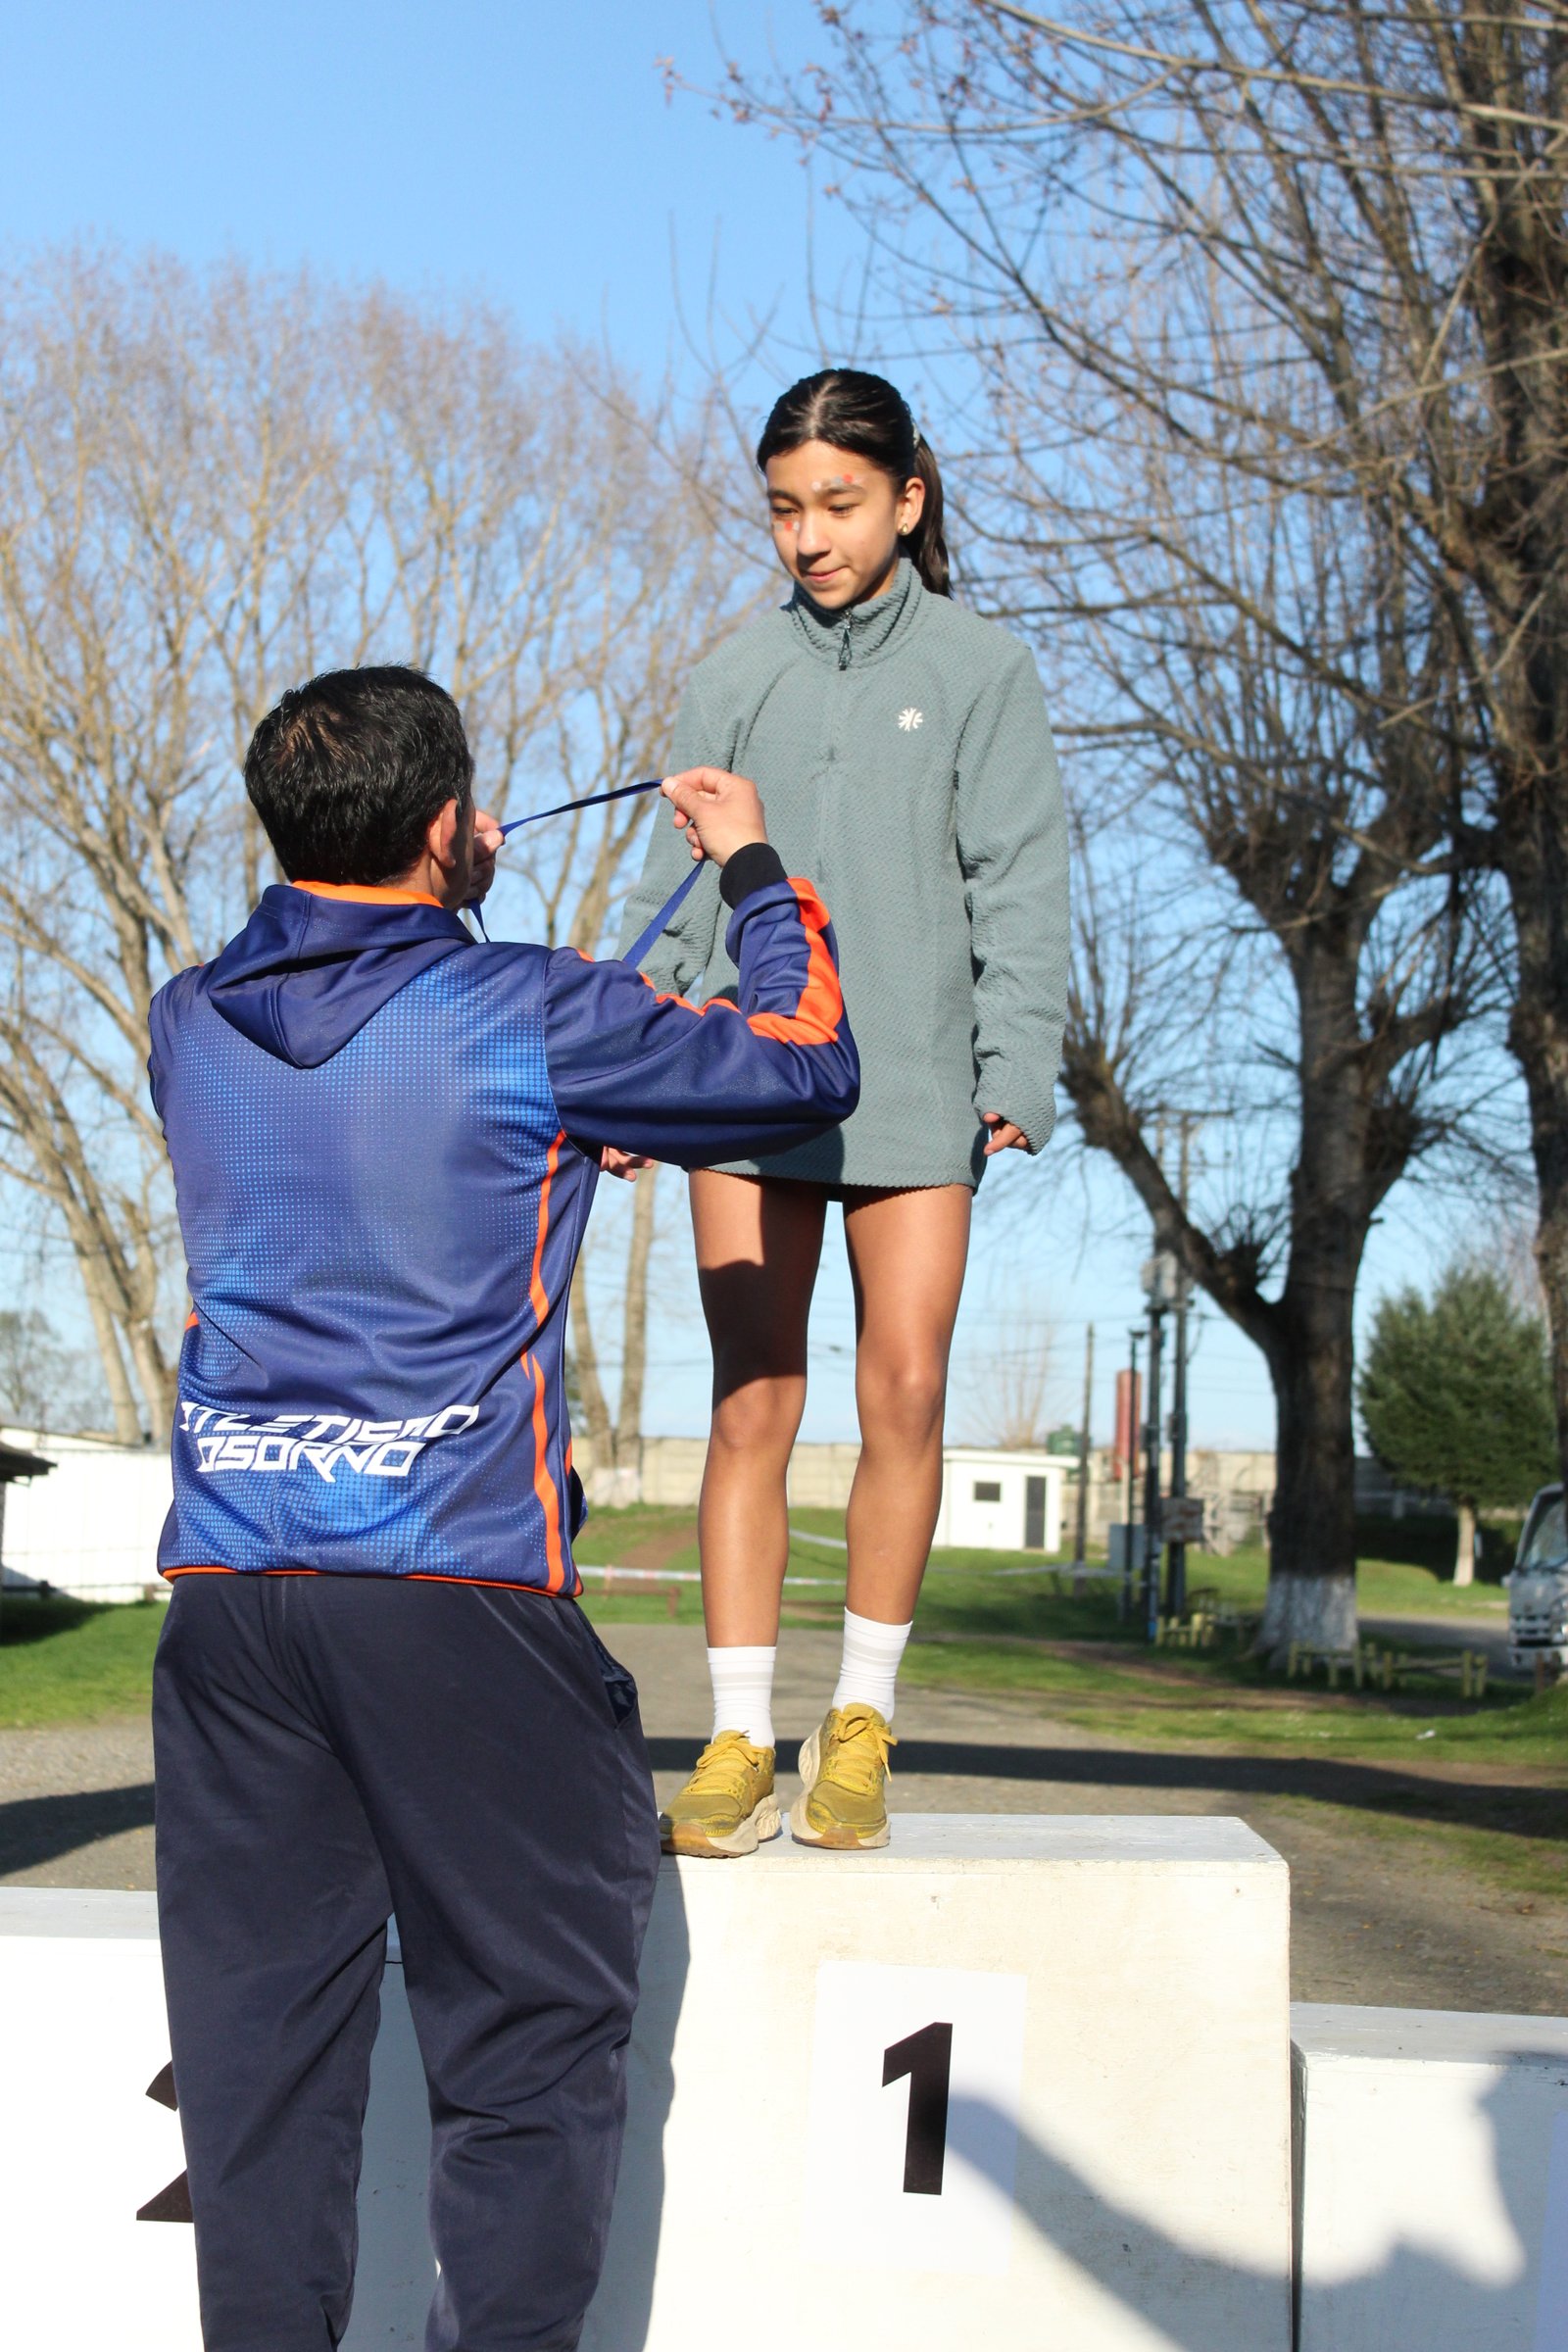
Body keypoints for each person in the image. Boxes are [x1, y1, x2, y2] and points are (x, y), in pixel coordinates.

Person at [147, 663, 857, 2352]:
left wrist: (558, 1119)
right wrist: (759, 873)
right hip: (455, 1593)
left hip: (233, 1599)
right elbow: (804, 1065)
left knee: (258, 2080)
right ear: (453, 826)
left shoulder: (187, 1014)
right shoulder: (529, 1011)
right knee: (530, 2055)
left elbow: (375, 1127)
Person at [617, 368, 1069, 1859]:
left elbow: (1017, 880)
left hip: (916, 1080)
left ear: (907, 501)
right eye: (785, 509)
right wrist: (635, 1060)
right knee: (752, 1396)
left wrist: (1017, 1064)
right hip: (749, 1077)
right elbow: (684, 893)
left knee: (910, 1392)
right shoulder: (735, 673)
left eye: (839, 504)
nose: (809, 536)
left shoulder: (984, 668)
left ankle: (859, 1722)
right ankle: (739, 1731)